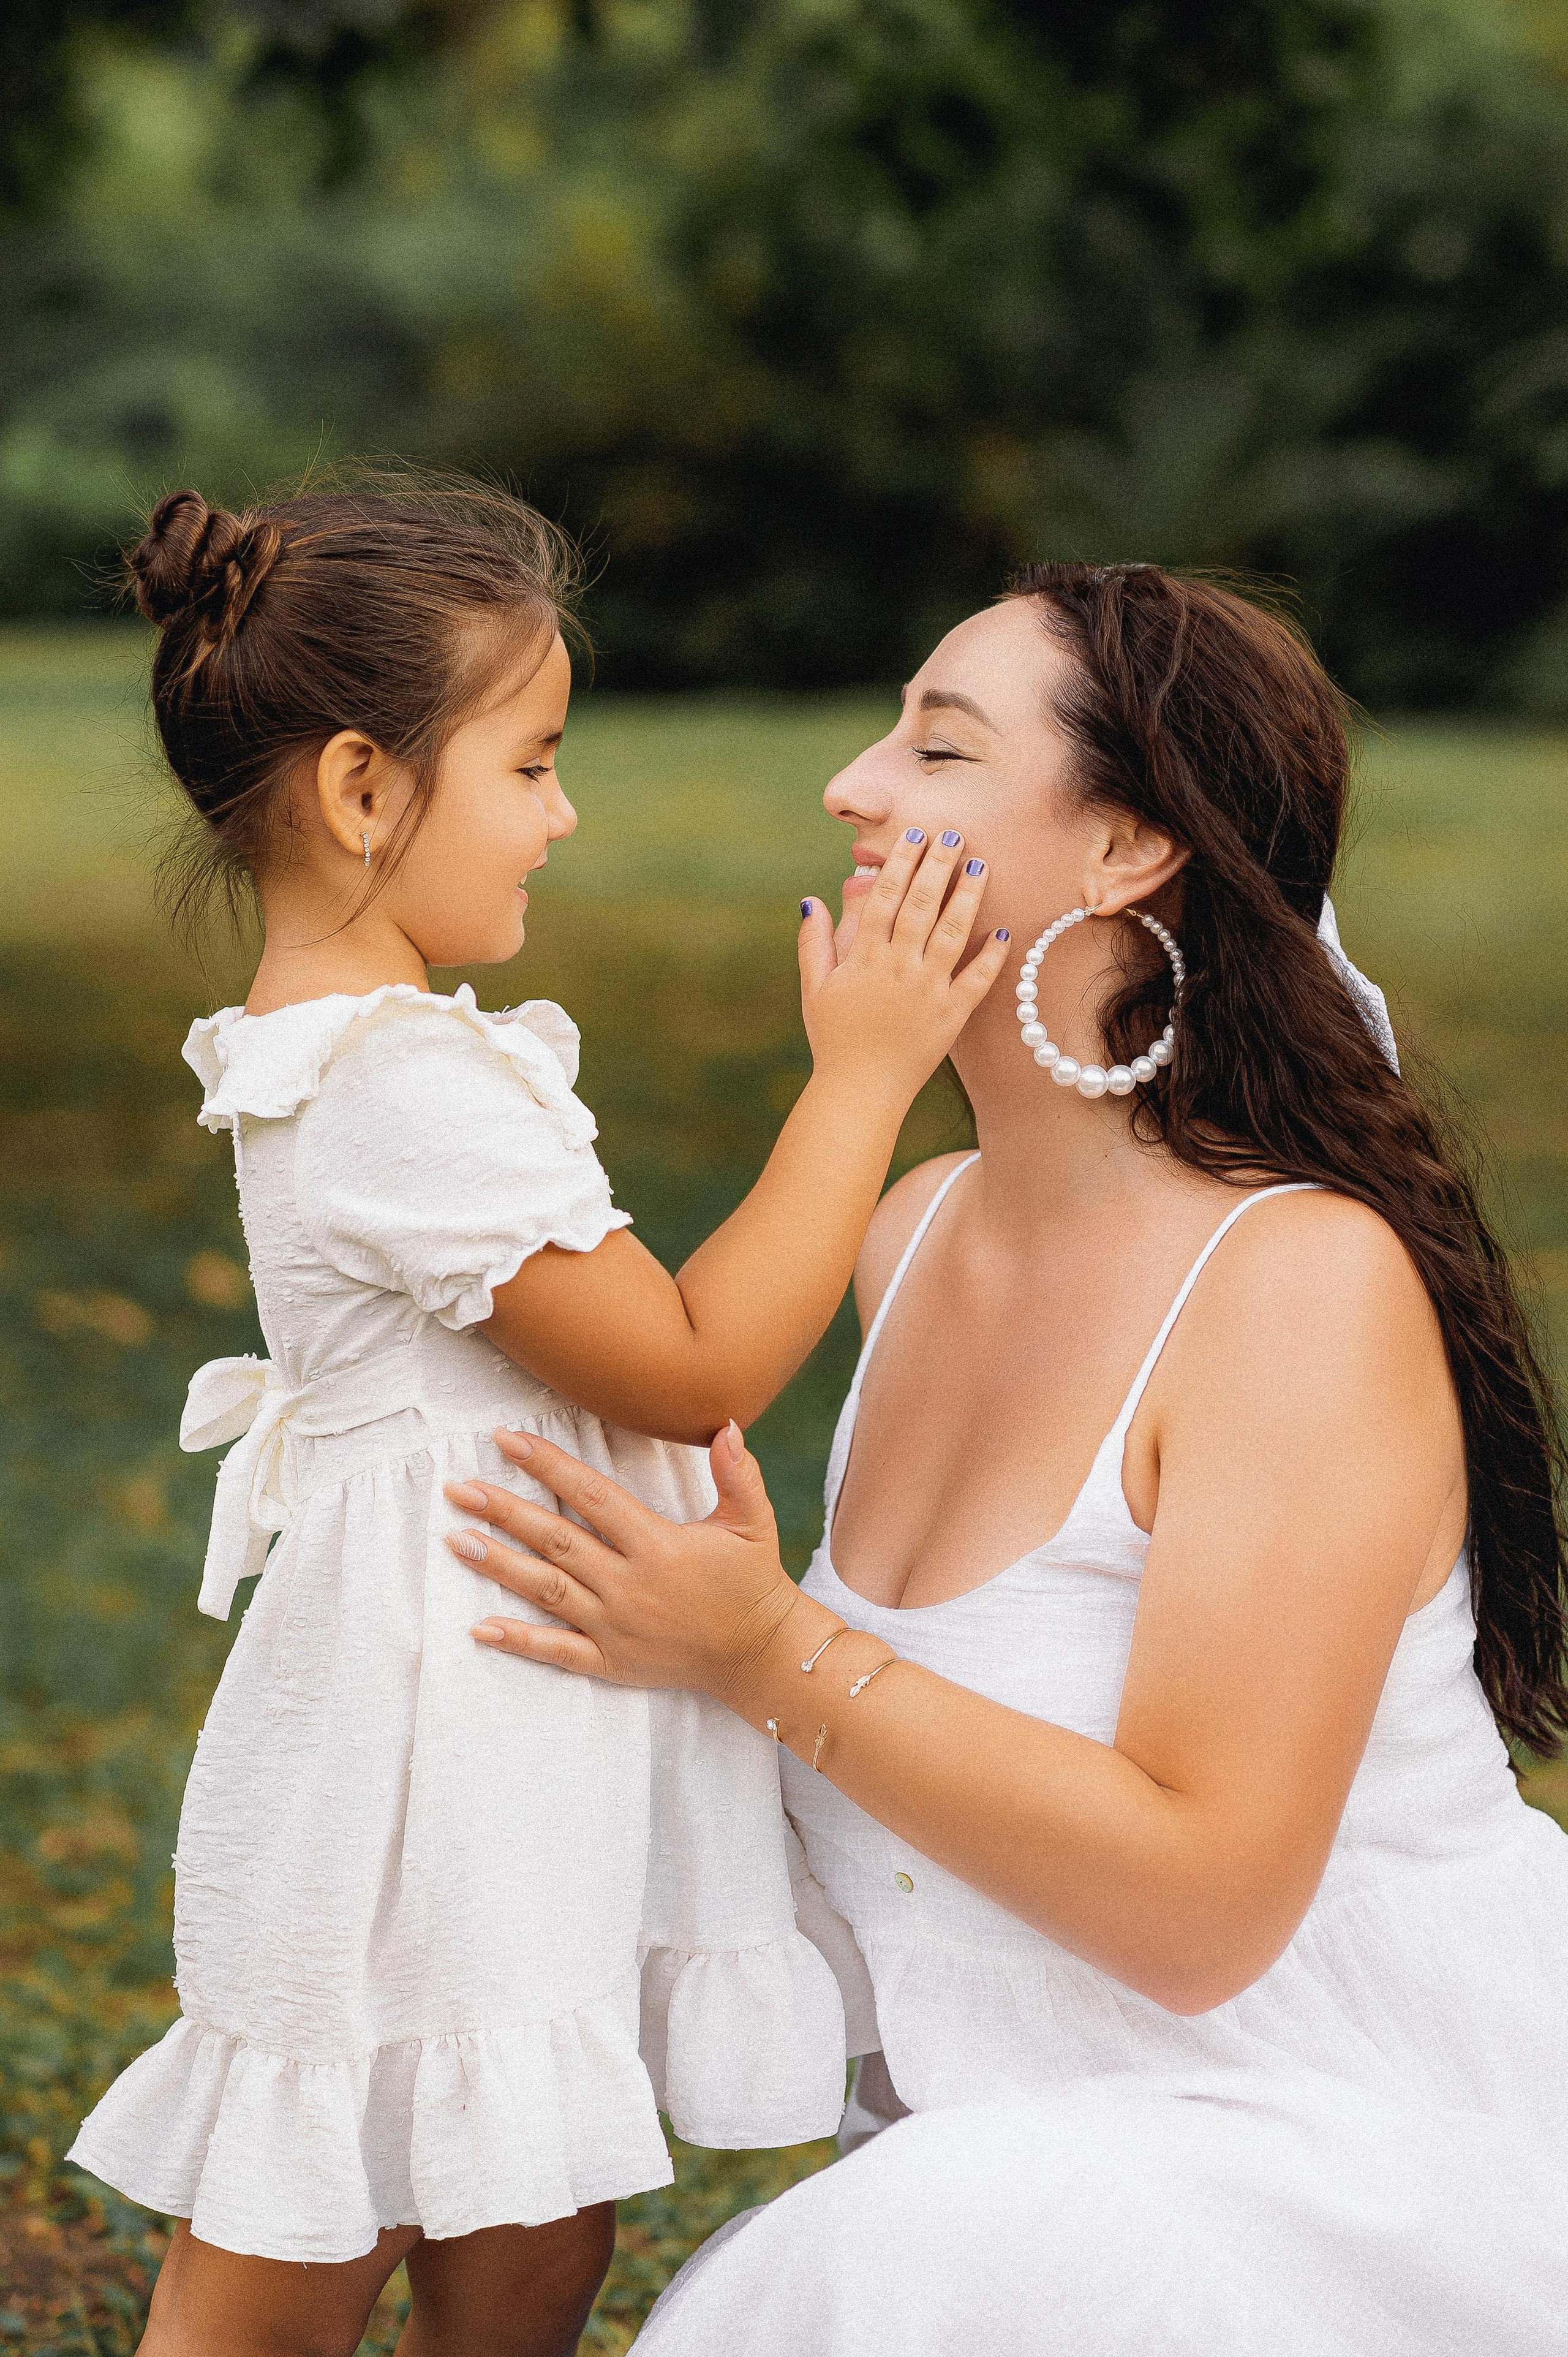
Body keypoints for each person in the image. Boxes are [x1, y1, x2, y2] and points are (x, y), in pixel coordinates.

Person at [445, 563, 1568, 2353]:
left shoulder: (1297, 1287)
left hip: (1355, 2142)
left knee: (935, 2249)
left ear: (1127, 850)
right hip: (1013, 2174)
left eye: (939, 749)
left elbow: (1201, 1914)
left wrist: (767, 1650)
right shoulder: (916, 1232)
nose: (852, 787)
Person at [67, 471, 1010, 2357]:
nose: (563, 816)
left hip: (503, 1727)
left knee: (534, 2230)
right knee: (295, 2253)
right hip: (425, 1759)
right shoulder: (391, 1082)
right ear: (362, 790)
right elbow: (693, 1362)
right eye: (531, 765)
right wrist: (863, 1077)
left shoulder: (389, 1057)